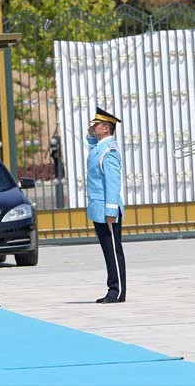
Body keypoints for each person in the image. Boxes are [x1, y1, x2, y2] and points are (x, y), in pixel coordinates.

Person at [87, 107, 126, 304]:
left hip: (107, 209)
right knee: (107, 251)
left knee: (113, 251)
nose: (93, 126)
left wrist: (111, 211)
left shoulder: (109, 151)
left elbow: (113, 182)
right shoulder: (100, 147)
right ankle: (112, 288)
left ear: (106, 128)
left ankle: (117, 291)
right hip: (98, 208)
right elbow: (93, 147)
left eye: (96, 124)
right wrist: (90, 136)